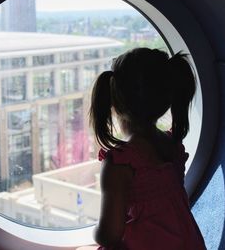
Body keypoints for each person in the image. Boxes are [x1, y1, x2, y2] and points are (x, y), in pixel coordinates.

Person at [88, 48, 206, 250]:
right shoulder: (173, 146)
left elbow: (109, 235)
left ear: (114, 102)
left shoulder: (121, 163)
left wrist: (95, 231)